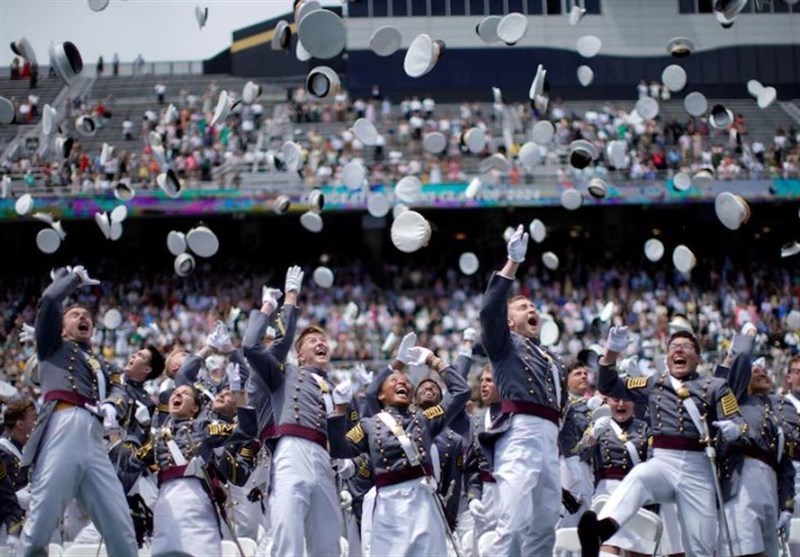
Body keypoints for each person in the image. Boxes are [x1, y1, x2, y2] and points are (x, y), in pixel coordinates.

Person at [578, 326, 746, 557]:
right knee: (638, 477)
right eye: (674, 347)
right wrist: (611, 353)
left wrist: (734, 429)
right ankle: (601, 530)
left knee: (701, 548)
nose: (679, 350)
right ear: (667, 359)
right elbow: (608, 386)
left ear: (698, 358)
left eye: (686, 347)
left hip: (698, 468)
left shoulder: (716, 386)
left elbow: (737, 420)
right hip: (663, 461)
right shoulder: (654, 382)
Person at [18, 266, 138, 556]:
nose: (83, 316)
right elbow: (48, 301)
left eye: (87, 315)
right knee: (39, 528)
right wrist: (74, 280)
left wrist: (112, 404)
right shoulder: (51, 346)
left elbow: (122, 389)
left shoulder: (102, 363)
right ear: (60, 326)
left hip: (96, 437)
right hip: (64, 423)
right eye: (74, 314)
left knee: (121, 529)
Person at [328, 333, 471, 556]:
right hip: (388, 506)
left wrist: (434, 361)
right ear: (381, 395)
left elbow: (461, 392)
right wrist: (338, 410)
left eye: (405, 382)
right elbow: (339, 449)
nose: (402, 382)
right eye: (394, 381)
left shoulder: (424, 419)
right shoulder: (369, 424)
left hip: (423, 500)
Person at [243, 266, 346, 557]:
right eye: (313, 341)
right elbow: (251, 346)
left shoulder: (335, 388)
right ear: (299, 354)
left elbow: (343, 443)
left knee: (328, 543)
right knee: (288, 536)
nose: (321, 343)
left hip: (324, 459)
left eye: (324, 341)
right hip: (290, 451)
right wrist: (280, 301)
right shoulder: (283, 373)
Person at [479, 224, 566, 556]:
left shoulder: (553, 357)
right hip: (521, 431)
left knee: (545, 526)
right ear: (509, 321)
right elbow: (488, 311)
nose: (533, 310)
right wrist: (511, 264)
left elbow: (565, 409)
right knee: (514, 523)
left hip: (549, 437)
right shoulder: (505, 344)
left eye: (534, 308)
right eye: (523, 307)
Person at [112, 383, 259, 556]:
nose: (177, 395)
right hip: (165, 505)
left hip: (194, 499)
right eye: (175, 393)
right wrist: (130, 429)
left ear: (195, 407)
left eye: (185, 393)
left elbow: (246, 430)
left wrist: (240, 400)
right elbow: (130, 464)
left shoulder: (205, 427)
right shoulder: (159, 436)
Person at [716, 331, 795, 557]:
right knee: (748, 552)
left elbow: (786, 464)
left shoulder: (776, 411)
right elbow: (740, 362)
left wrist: (787, 506)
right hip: (742, 481)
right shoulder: (736, 398)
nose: (761, 371)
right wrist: (746, 340)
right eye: (754, 370)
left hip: (770, 486)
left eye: (764, 370)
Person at [574, 396, 651, 556]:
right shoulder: (599, 426)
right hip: (607, 492)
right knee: (609, 541)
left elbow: (651, 459)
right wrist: (593, 436)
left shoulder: (644, 428)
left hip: (635, 491)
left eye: (626, 399)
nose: (621, 404)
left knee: (639, 546)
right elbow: (581, 455)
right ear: (607, 402)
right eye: (616, 400)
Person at [464, 365, 502, 554]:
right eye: (482, 381)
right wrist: (473, 496)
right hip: (486, 494)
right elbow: (472, 465)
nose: (484, 385)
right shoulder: (477, 419)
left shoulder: (516, 415)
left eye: (490, 380)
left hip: (511, 490)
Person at [558, 362, 595, 527]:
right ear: (566, 380)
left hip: (588, 466)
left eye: (585, 373)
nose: (583, 376)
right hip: (566, 463)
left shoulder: (593, 404)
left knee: (586, 520)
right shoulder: (563, 404)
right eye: (577, 373)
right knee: (564, 520)